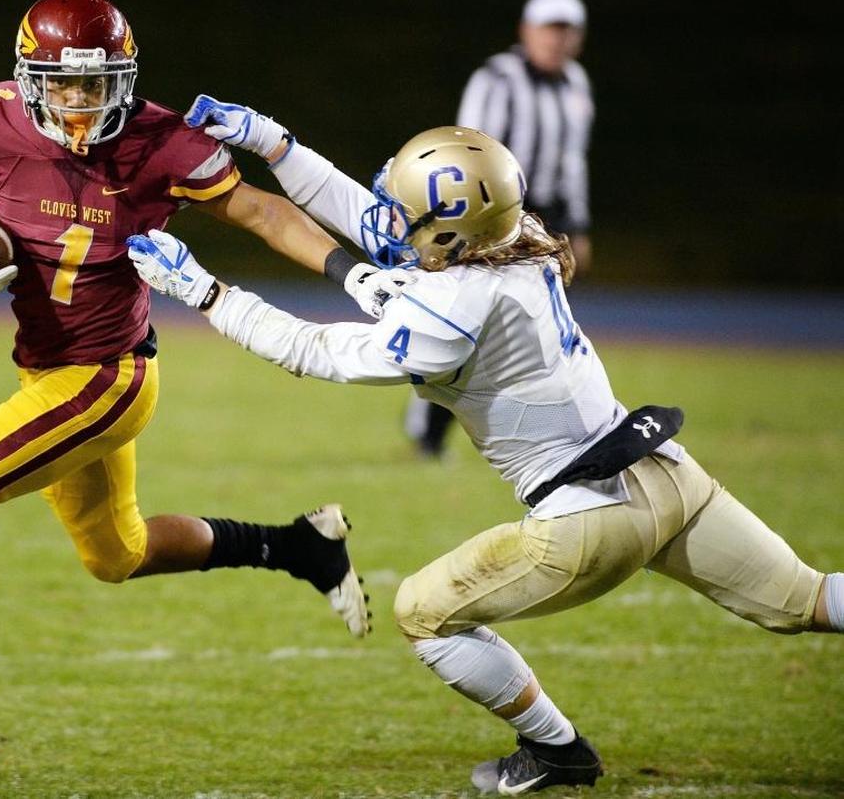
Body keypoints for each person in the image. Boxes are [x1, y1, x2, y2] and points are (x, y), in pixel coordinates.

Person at [125, 97, 844, 795]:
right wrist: (276, 144)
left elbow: (314, 349)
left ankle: (557, 750)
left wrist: (207, 293)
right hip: (668, 476)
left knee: (423, 612)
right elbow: (377, 227)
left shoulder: (450, 309)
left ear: (449, 236)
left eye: (406, 211)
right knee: (807, 598)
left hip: (587, 518)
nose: (390, 218)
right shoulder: (513, 235)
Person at [0, 0, 376, 750]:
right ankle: (299, 547)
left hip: (106, 378)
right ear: (28, 78)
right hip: (45, 371)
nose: (79, 101)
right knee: (117, 555)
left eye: (97, 82)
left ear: (124, 77)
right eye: (63, 83)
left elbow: (261, 212)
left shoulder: (164, 143)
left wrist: (350, 272)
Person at [408, 0, 595, 459]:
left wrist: (578, 225)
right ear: (526, 30)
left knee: (542, 328)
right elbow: (469, 148)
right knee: (466, 319)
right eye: (550, 28)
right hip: (496, 214)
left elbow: (573, 162)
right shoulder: (497, 79)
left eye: (567, 30)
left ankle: (551, 431)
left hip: (548, 220)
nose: (558, 39)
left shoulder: (576, 83)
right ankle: (428, 431)